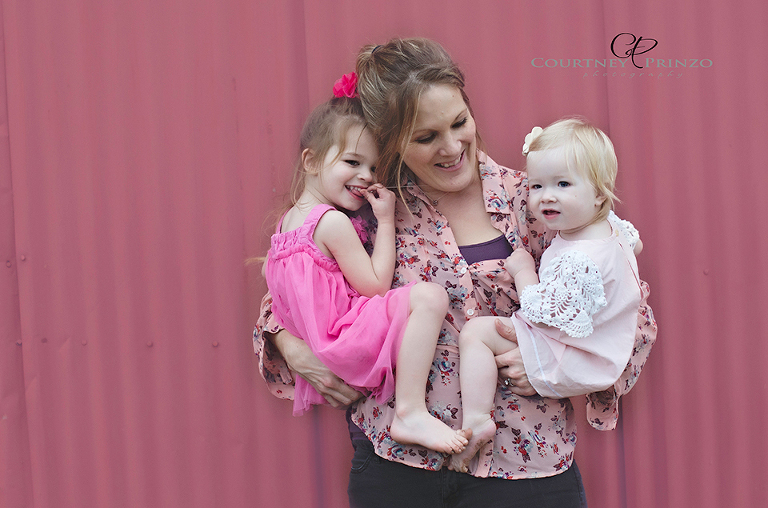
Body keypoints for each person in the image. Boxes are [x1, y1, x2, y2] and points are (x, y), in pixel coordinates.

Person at [254, 37, 657, 508]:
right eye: (425, 138)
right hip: (396, 469)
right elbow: (292, 288)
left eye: (459, 122)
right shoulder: (370, 210)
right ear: (391, 142)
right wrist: (288, 343)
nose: (451, 147)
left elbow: (630, 317)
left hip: (526, 466)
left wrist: (557, 368)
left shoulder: (538, 201)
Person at [262, 88, 469, 454]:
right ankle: (410, 410)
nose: (366, 176)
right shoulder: (330, 223)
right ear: (310, 162)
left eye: (373, 167)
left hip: (323, 345)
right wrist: (386, 220)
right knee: (430, 297)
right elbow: (375, 287)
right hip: (345, 338)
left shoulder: (285, 227)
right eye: (352, 162)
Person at [451, 118, 645, 473]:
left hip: (572, 351)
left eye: (563, 184)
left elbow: (541, 311)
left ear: (600, 192)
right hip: (593, 346)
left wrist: (524, 270)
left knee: (476, 334)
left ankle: (477, 418)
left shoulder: (578, 259)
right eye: (537, 185)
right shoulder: (608, 229)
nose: (546, 196)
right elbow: (636, 243)